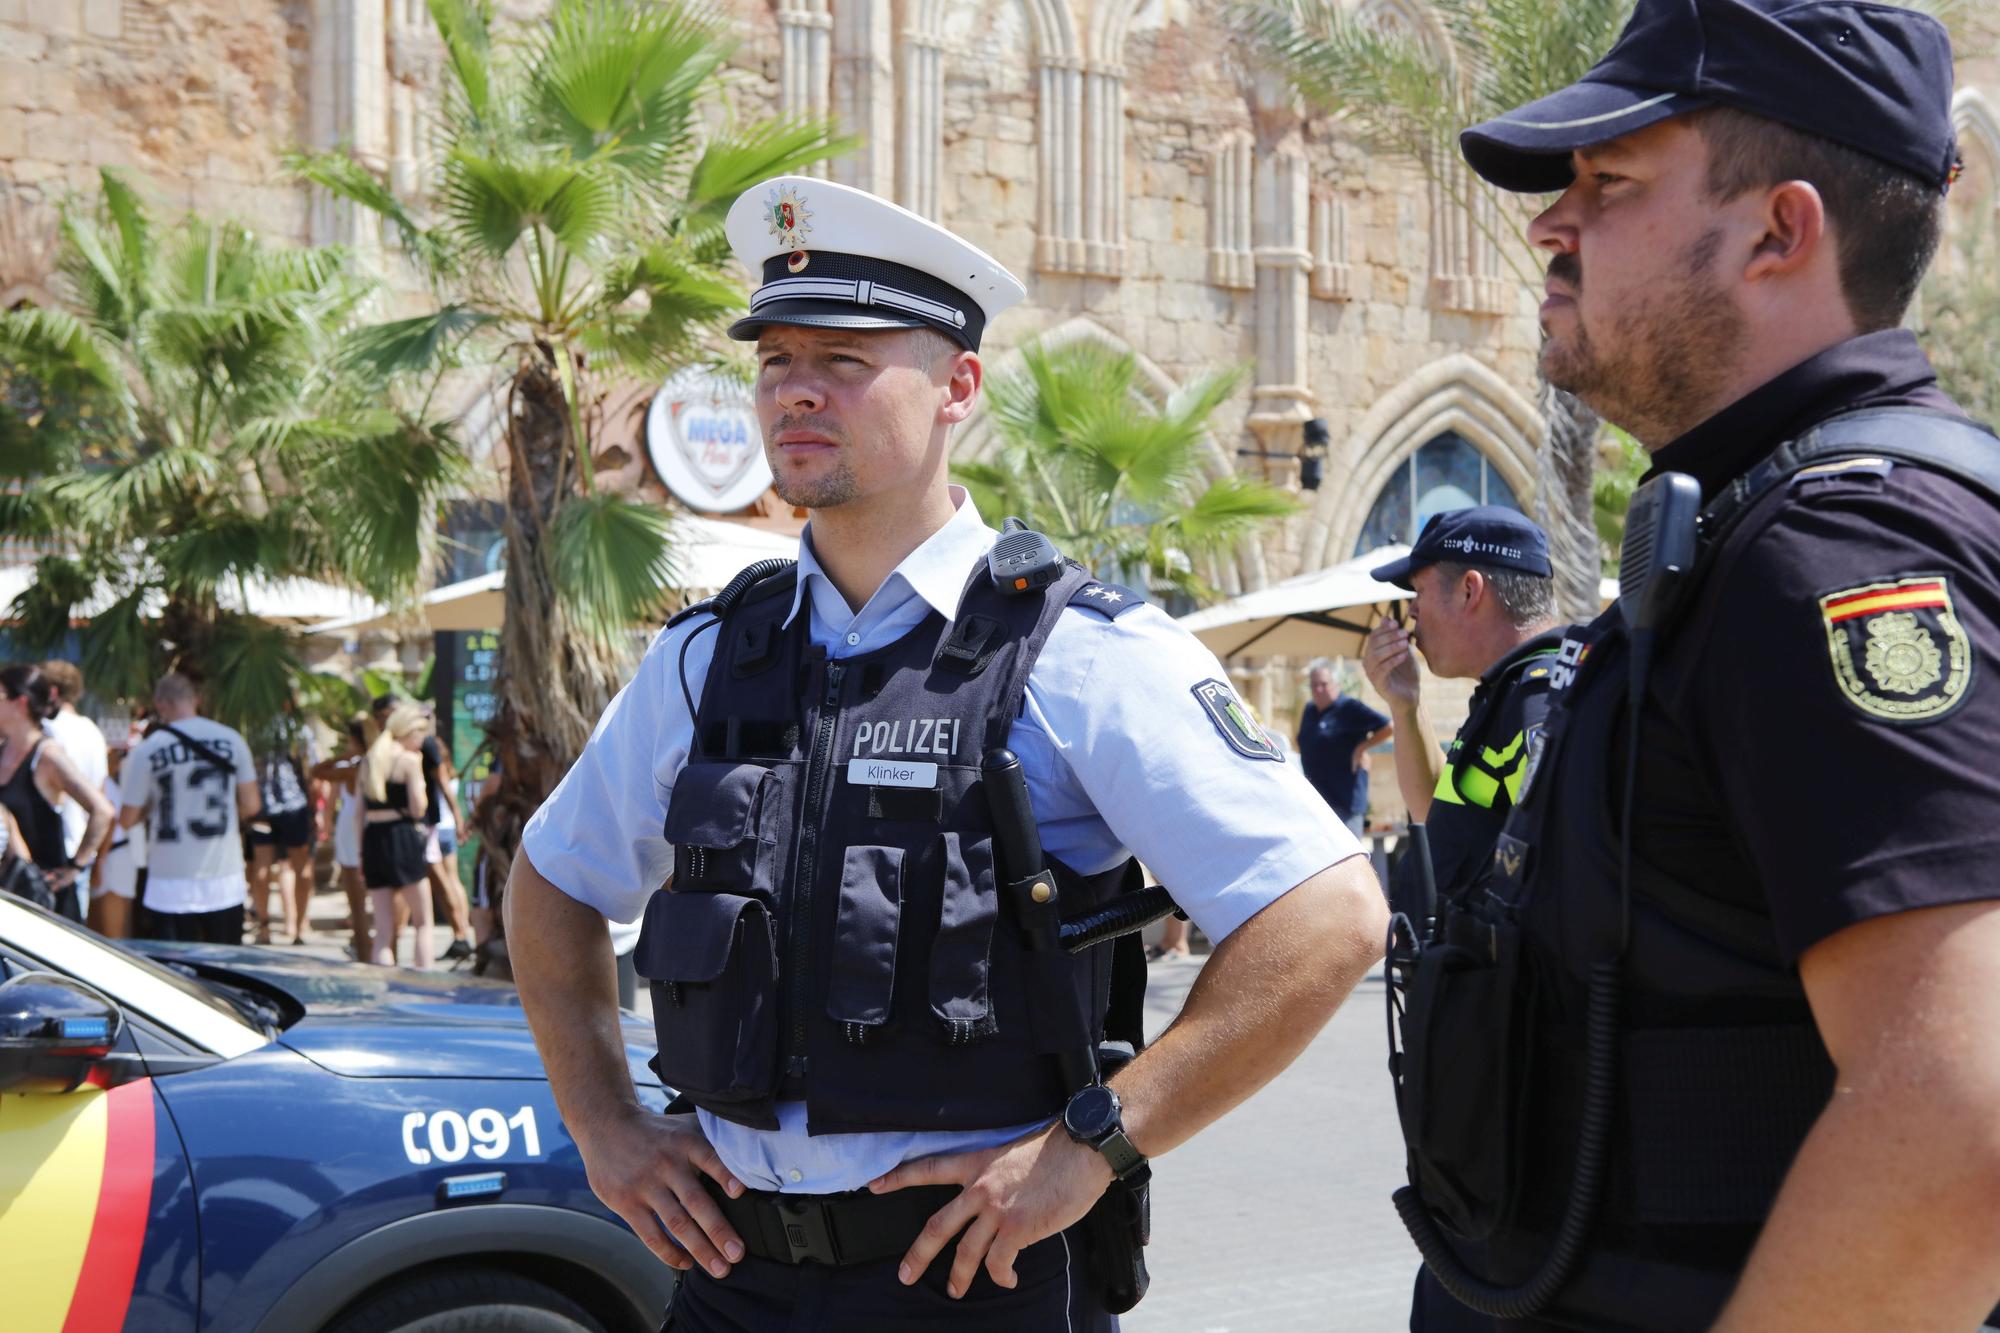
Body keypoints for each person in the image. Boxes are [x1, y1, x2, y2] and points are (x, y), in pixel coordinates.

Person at [505, 175, 1386, 1331]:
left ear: (957, 385)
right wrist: (604, 1125)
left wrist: (1091, 1149)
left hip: (968, 1285)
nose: (795, 390)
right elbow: (552, 882)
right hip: (732, 1283)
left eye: (845, 359)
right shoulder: (713, 655)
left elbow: (1327, 919)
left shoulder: (1074, 652)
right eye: (774, 360)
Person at [1392, 2, 2000, 1330]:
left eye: (1610, 184)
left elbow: (1963, 1124)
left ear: (1782, 231)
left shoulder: (1834, 549)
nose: (1552, 226)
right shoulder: (1761, 527)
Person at [1362, 507, 1564, 904]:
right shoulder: (1508, 694)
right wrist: (1406, 705)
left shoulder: (1541, 704)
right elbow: (1436, 811)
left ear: (1470, 590)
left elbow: (1569, 875)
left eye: (1418, 592)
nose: (1411, 612)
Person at [119, 673, 259, 944]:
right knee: (225, 973)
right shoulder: (232, 739)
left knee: (176, 976)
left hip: (168, 883)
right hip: (224, 880)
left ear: (160, 704)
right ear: (197, 699)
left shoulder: (148, 749)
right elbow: (252, 805)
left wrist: (154, 805)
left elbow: (127, 819)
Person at [0, 664, 114, 922]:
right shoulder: (3, 749)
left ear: (21, 703)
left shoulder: (47, 757)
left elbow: (103, 810)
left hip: (43, 901)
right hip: (8, 900)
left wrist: (74, 868)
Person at [372, 695, 474, 961]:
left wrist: (457, 815)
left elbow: (441, 780)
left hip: (425, 825)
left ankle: (461, 932)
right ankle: (456, 933)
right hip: (414, 826)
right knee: (422, 890)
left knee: (442, 880)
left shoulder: (420, 749)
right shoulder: (391, 753)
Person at [360, 703, 434, 970]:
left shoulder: (370, 759)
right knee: (423, 922)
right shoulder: (409, 761)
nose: (422, 741)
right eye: (421, 734)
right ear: (409, 731)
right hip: (402, 839)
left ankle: (381, 992)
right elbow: (418, 808)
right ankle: (424, 988)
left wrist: (360, 854)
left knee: (383, 929)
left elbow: (360, 814)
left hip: (373, 841)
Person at [248, 700, 321, 945]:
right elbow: (313, 773)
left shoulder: (254, 730)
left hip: (262, 807)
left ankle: (265, 927)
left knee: (262, 868)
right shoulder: (299, 731)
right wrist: (314, 810)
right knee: (300, 868)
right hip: (294, 807)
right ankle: (298, 927)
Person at [1295, 660, 1392, 834]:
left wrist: (1361, 748)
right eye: (1314, 685)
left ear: (1336, 684)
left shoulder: (1349, 708)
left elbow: (1388, 727)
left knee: (1350, 857)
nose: (1318, 690)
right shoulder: (1310, 710)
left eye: (1324, 684)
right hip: (1318, 803)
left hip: (1345, 803)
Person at [312, 715, 373, 962]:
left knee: (357, 904)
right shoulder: (377, 763)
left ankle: (365, 953)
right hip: (371, 832)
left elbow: (317, 771)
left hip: (353, 834)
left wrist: (345, 755)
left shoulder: (355, 768)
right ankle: (373, 949)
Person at [39, 660, 110, 870]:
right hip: (82, 849)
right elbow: (101, 790)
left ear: (51, 692)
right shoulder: (92, 730)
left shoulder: (50, 730)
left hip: (57, 850)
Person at [92, 727, 145, 939]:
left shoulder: (105, 784)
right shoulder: (109, 783)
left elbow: (111, 820)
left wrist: (99, 863)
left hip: (112, 858)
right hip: (117, 857)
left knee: (112, 936)